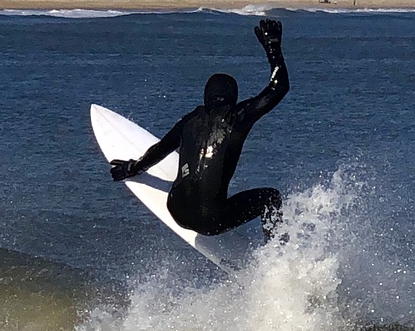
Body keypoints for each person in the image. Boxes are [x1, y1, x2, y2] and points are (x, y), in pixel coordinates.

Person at [110, 18, 287, 238]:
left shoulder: (190, 120)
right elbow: (278, 87)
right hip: (210, 221)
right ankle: (279, 255)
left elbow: (160, 150)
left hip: (176, 209)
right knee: (271, 198)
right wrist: (273, 49)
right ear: (233, 98)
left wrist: (131, 169)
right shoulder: (237, 116)